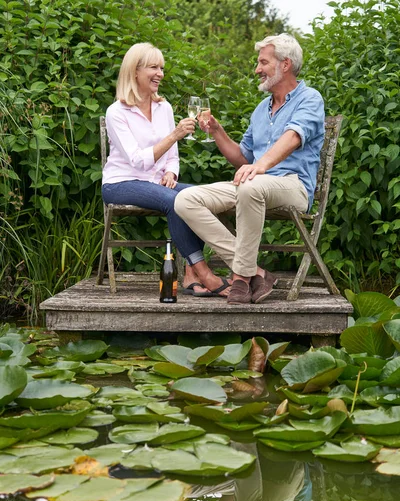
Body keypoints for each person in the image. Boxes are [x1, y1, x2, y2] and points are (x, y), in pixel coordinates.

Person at [175, 33, 325, 304]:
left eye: (263, 62)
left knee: (250, 186)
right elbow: (243, 158)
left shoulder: (309, 98)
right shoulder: (260, 110)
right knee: (185, 200)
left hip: (293, 185)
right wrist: (218, 131)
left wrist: (260, 166)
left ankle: (241, 281)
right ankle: (254, 271)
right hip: (253, 186)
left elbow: (293, 137)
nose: (257, 69)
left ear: (285, 64)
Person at [102, 42, 230, 297]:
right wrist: (175, 134)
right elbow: (138, 161)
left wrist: (171, 173)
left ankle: (191, 273)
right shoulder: (116, 112)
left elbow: (172, 157)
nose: (160, 73)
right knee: (175, 201)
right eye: (153, 67)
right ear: (134, 71)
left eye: (161, 68)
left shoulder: (165, 107)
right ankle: (204, 272)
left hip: (157, 182)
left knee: (200, 197)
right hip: (121, 183)